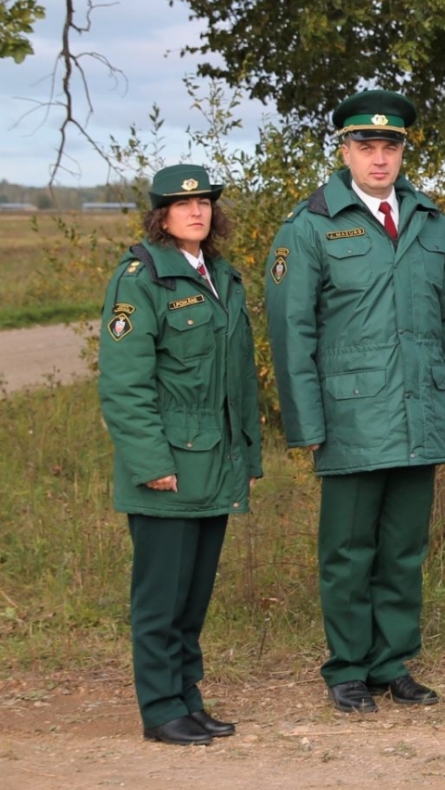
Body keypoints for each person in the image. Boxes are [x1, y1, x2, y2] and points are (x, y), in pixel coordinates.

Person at [265, 89, 445, 714]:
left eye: (390, 146)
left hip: (420, 410)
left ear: (403, 151)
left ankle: (391, 662)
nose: (379, 158)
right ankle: (348, 667)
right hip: (350, 416)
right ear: (344, 149)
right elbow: (291, 330)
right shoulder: (309, 227)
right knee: (349, 550)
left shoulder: (432, 223)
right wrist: (306, 422)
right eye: (366, 146)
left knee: (405, 547)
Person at [98, 164, 262, 745]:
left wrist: (246, 457)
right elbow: (124, 384)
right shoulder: (141, 279)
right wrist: (152, 463)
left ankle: (188, 700)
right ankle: (161, 708)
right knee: (160, 600)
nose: (197, 212)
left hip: (215, 465)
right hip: (169, 466)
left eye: (205, 203)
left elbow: (237, 379)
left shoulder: (218, 275)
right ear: (160, 214)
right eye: (182, 204)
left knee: (191, 599)